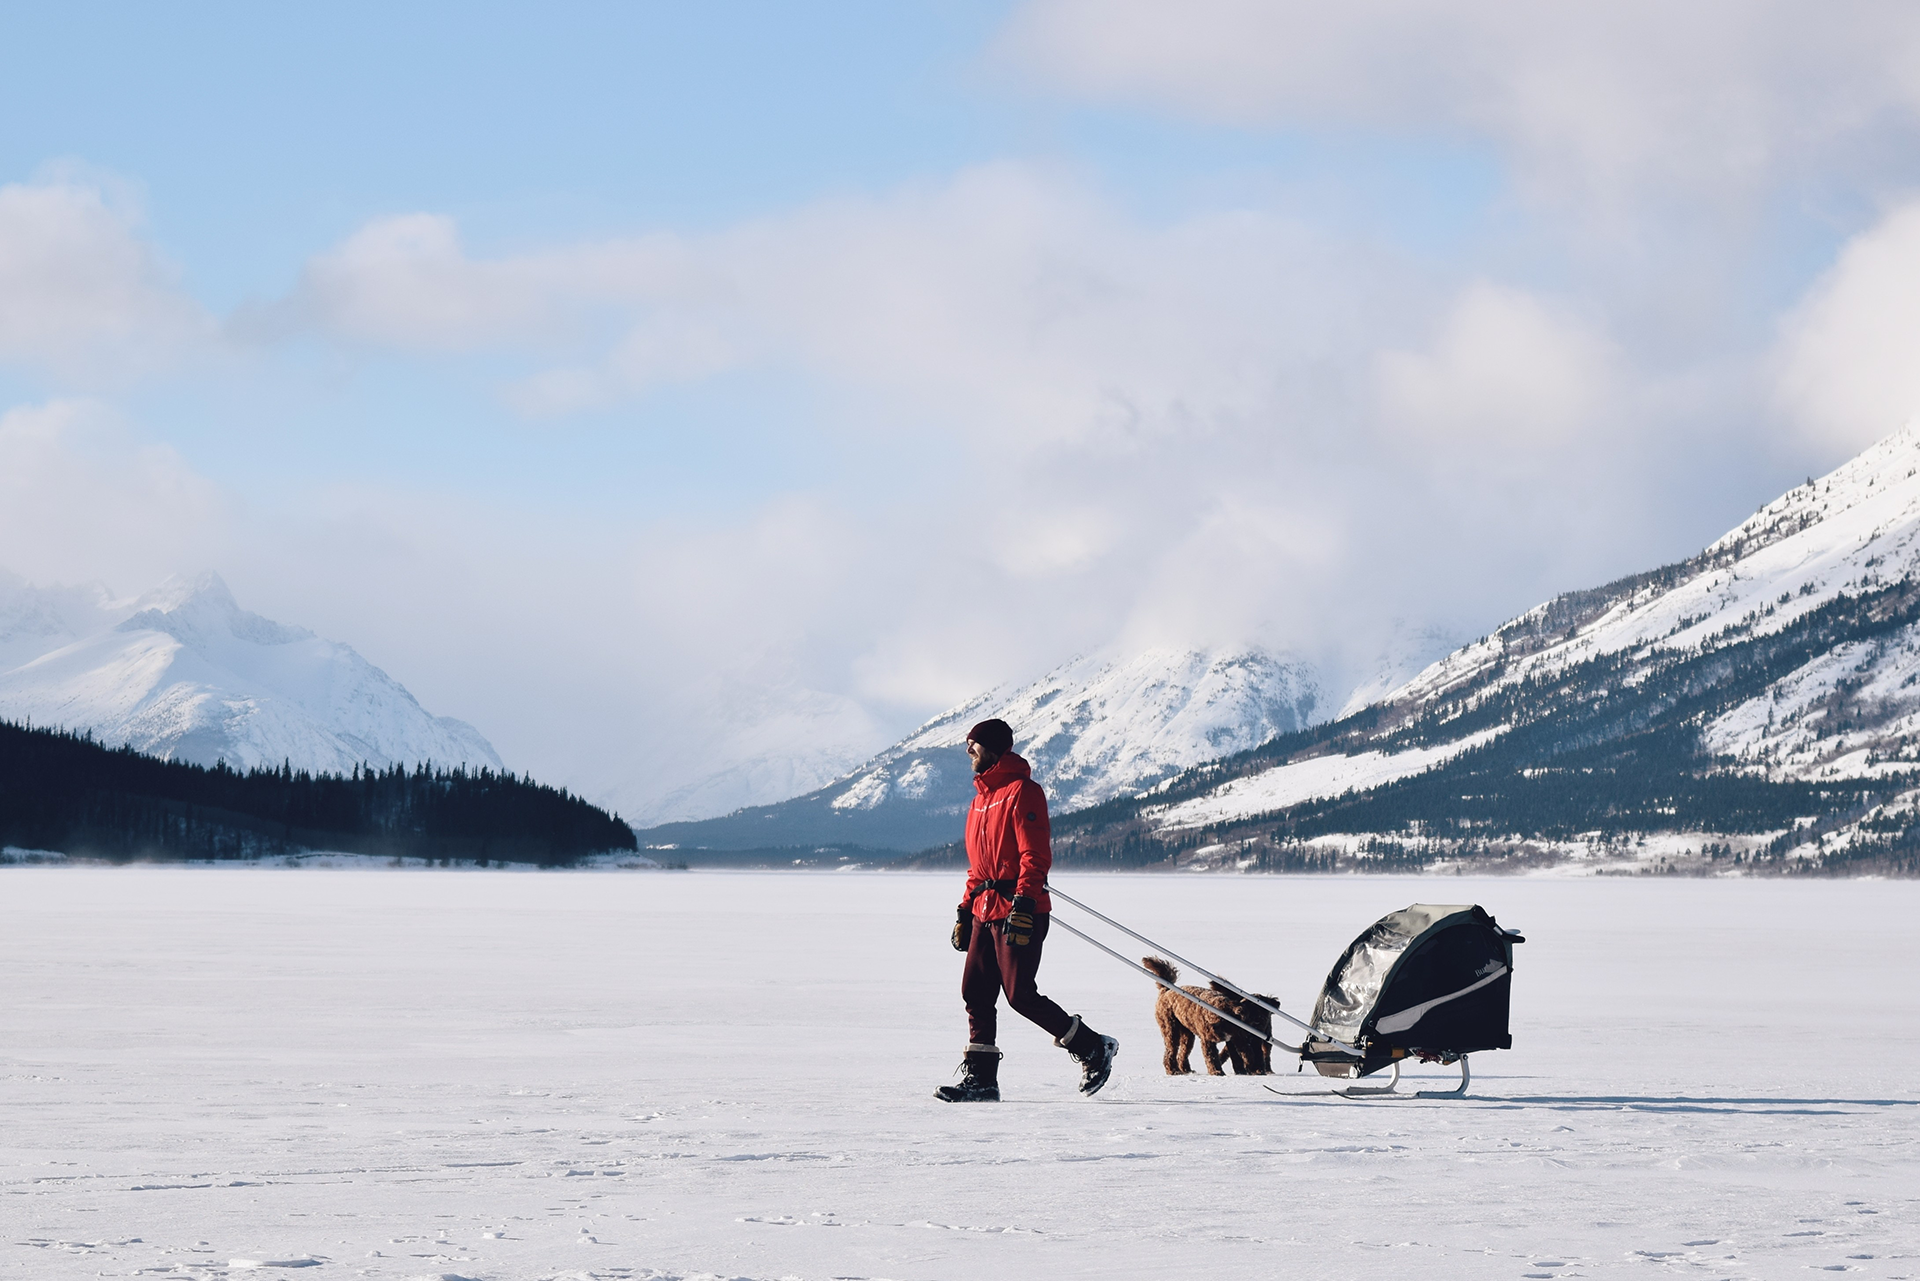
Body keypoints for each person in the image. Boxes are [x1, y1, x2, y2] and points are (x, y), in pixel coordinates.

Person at [934, 718, 1118, 1102]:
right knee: (975, 992)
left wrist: (1025, 902)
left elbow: (1035, 855)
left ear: (996, 748)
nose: (968, 750)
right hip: (985, 908)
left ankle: (1092, 1047)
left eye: (975, 743)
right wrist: (965, 909)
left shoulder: (1024, 791)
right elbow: (978, 868)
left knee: (1020, 994)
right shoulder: (979, 800)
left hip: (1020, 908)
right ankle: (982, 1081)